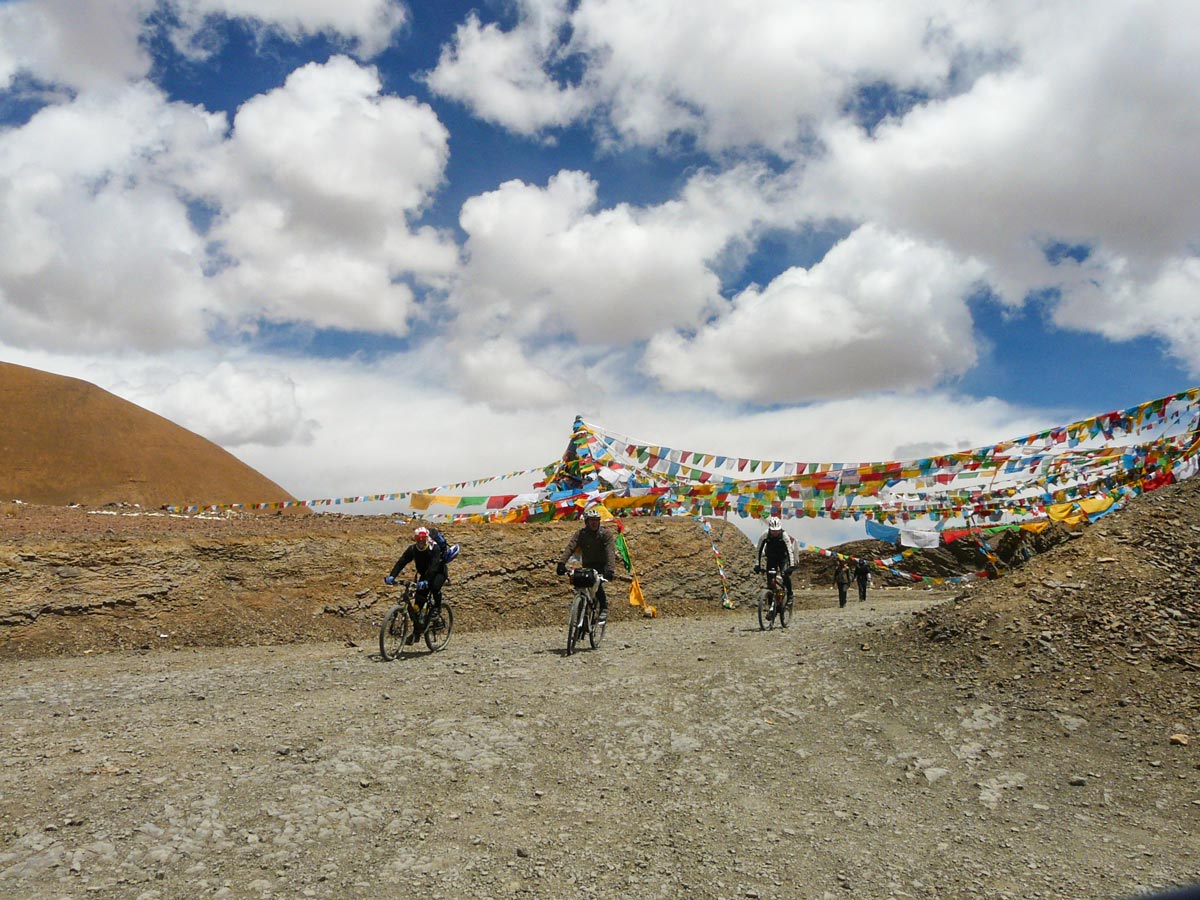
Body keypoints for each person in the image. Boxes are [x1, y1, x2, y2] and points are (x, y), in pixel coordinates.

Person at [385, 525, 451, 640]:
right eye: (418, 540)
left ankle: (437, 607)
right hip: (424, 576)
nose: (421, 542)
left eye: (423, 540)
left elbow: (434, 567)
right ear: (415, 539)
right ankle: (416, 633)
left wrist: (426, 581)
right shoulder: (412, 549)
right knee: (417, 604)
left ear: (426, 538)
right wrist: (392, 575)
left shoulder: (434, 548)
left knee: (435, 587)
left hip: (439, 572)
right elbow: (402, 562)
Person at [555, 507, 617, 623]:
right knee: (580, 584)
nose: (594, 523)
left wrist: (610, 570)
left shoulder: (606, 534)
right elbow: (570, 547)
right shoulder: (581, 534)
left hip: (602, 566)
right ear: (586, 522)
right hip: (587, 564)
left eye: (596, 520)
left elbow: (610, 552)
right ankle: (581, 609)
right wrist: (561, 563)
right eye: (591, 520)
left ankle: (603, 608)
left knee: (597, 587)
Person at [754, 516, 797, 622]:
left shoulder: (784, 535)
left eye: (777, 531)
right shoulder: (765, 535)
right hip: (771, 558)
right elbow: (759, 549)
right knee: (770, 583)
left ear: (780, 529)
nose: (775, 533)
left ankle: (790, 594)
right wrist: (757, 564)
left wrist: (791, 566)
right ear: (769, 529)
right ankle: (771, 608)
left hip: (783, 558)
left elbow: (790, 551)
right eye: (773, 531)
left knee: (784, 574)